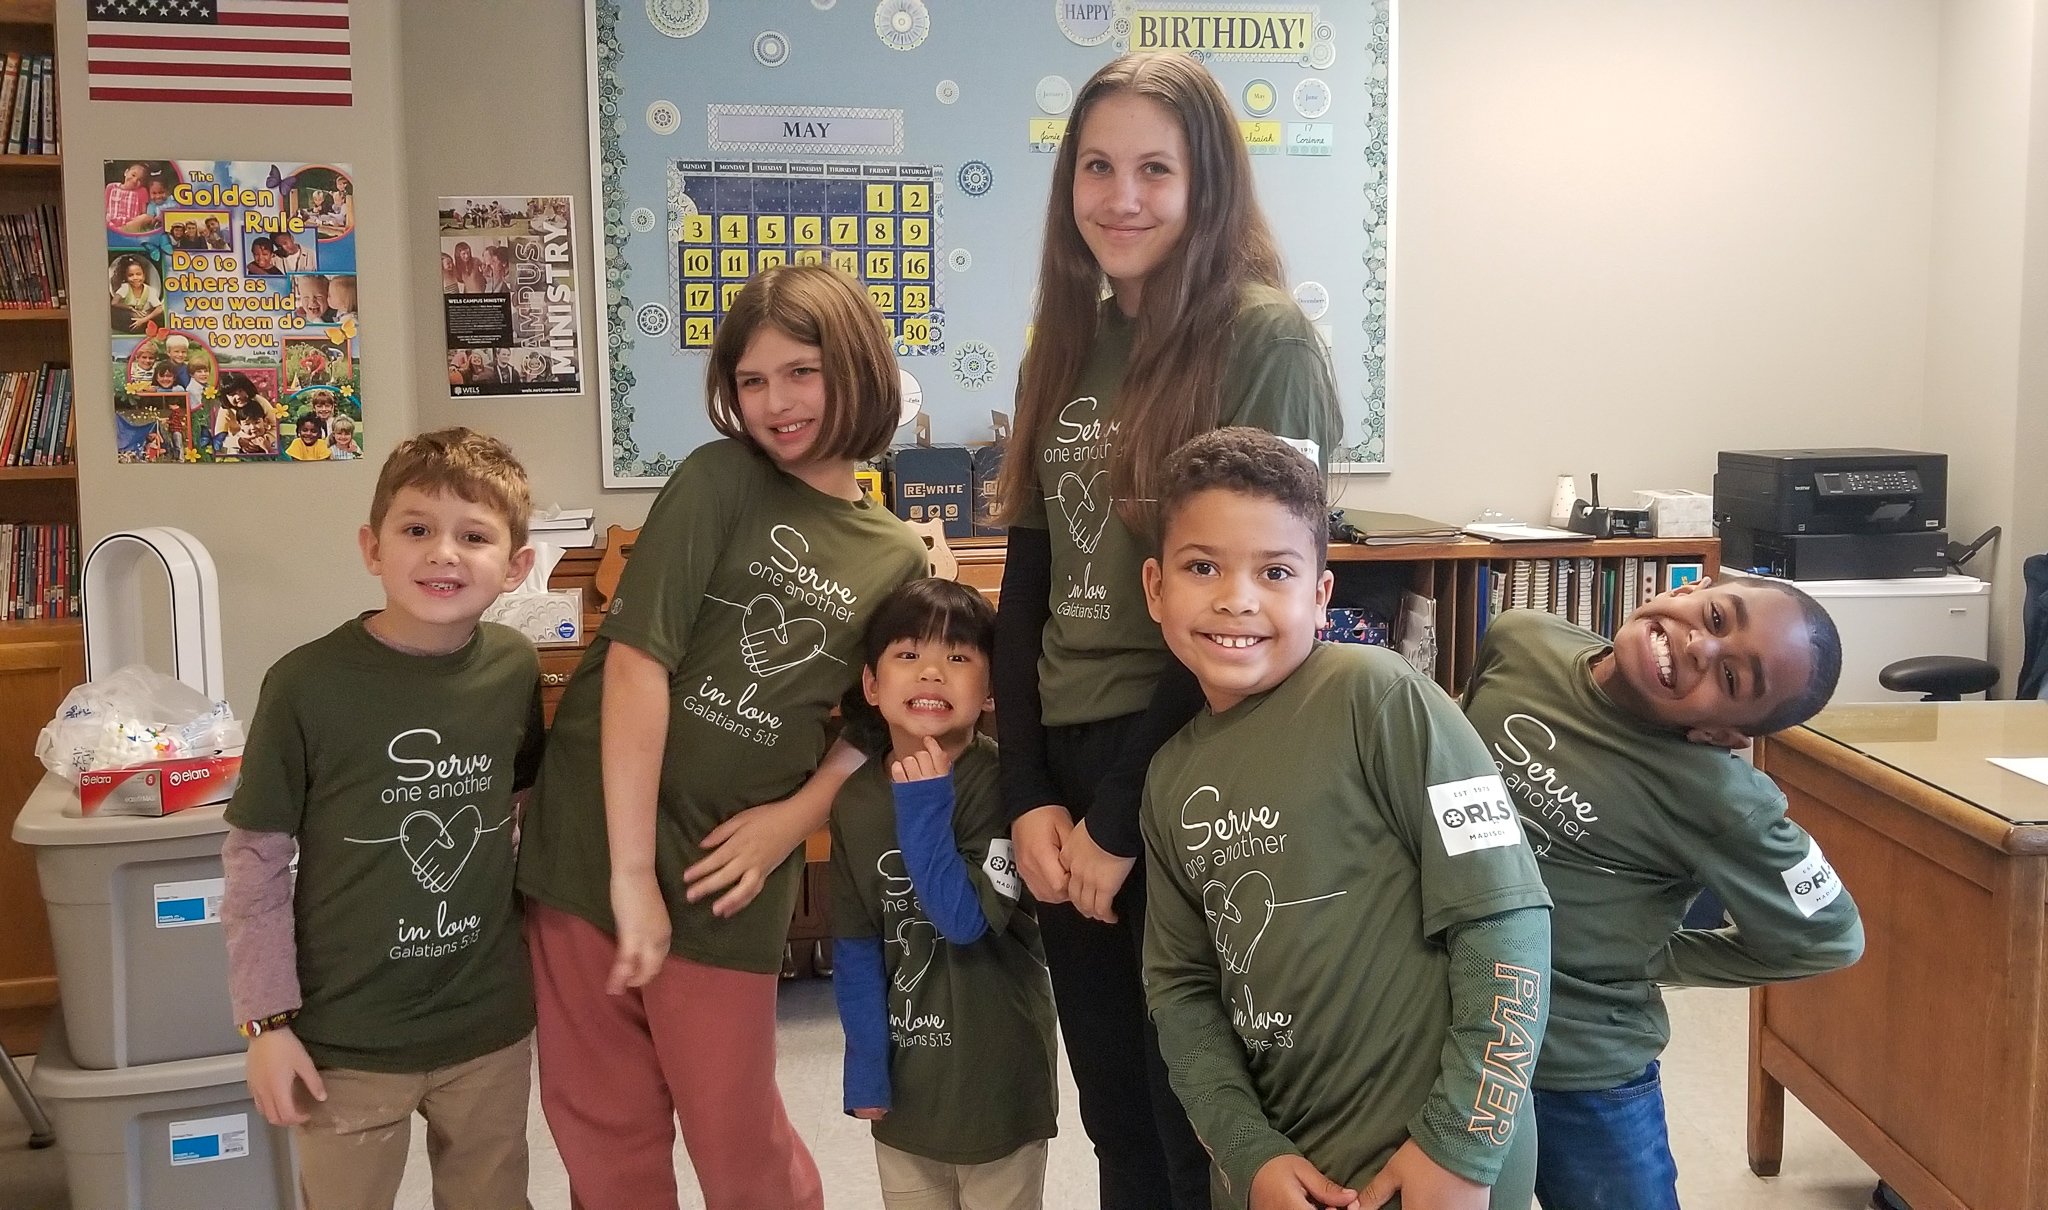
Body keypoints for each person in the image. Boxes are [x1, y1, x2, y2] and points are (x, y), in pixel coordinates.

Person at [990, 50, 1342, 1209]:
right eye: (1096, 167)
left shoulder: (1261, 338)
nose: (1120, 196)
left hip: (1196, 751)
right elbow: (1028, 583)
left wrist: (1116, 811)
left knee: (1199, 1109)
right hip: (1070, 758)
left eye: (1154, 168)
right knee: (1115, 1114)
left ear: (1206, 184)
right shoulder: (1063, 343)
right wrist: (1028, 790)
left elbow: (1253, 607)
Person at [516, 263, 930, 1210]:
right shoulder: (719, 478)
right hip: (592, 845)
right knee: (604, 1133)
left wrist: (794, 820)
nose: (776, 403)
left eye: (801, 372)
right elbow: (637, 663)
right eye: (752, 380)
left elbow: (876, 720)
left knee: (737, 1137)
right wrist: (629, 876)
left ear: (856, 368)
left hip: (726, 868)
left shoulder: (897, 553)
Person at [1139, 428, 1551, 1210]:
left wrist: (1462, 1146)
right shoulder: (1167, 780)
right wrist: (1248, 1156)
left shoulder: (1379, 695)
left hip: (1444, 1165)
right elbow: (1182, 991)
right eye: (1203, 567)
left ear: (1321, 595)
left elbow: (1505, 918)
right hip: (1285, 1173)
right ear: (1156, 587)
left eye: (1275, 572)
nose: (1237, 598)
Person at [1460, 579, 1864, 1209]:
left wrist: (1657, 955)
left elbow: (1829, 937)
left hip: (1579, 1063)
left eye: (1730, 679)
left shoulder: (1724, 801)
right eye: (1715, 616)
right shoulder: (1521, 641)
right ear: (1694, 586)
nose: (1701, 646)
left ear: (1722, 735)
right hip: (1441, 1022)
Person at [222, 429, 542, 1209]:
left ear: (517, 566)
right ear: (372, 547)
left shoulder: (515, 667)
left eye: (475, 536)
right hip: (347, 1037)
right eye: (417, 528)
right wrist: (266, 1027)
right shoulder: (304, 685)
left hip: (487, 1027)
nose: (444, 554)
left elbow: (521, 811)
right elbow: (255, 862)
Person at [829, 579, 1058, 1210]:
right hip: (906, 1090)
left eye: (957, 657)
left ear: (990, 689)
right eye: (908, 655)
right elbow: (855, 946)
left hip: (999, 1082)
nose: (931, 671)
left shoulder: (1008, 786)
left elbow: (963, 920)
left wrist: (925, 804)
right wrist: (865, 1066)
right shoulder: (854, 802)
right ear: (871, 685)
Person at [105, 161, 148, 229]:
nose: (134, 180)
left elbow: (143, 212)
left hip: (130, 225)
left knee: (146, 217)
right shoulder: (111, 187)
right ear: (126, 172)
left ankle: (122, 229)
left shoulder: (141, 191)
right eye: (133, 175)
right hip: (111, 223)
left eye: (139, 180)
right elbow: (104, 207)